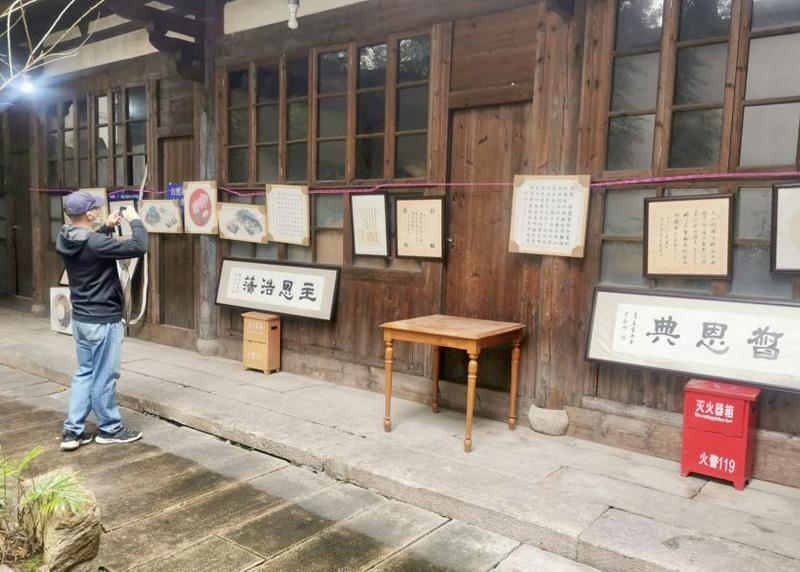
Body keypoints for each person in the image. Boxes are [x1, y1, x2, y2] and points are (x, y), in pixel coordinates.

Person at [56, 190, 149, 451]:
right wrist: (135, 220)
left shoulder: (65, 237)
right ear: (87, 214)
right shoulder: (94, 243)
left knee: (85, 373)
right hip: (103, 319)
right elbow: (139, 246)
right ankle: (110, 428)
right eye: (95, 209)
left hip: (82, 318)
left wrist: (106, 228)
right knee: (105, 376)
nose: (97, 212)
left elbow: (90, 247)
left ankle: (72, 432)